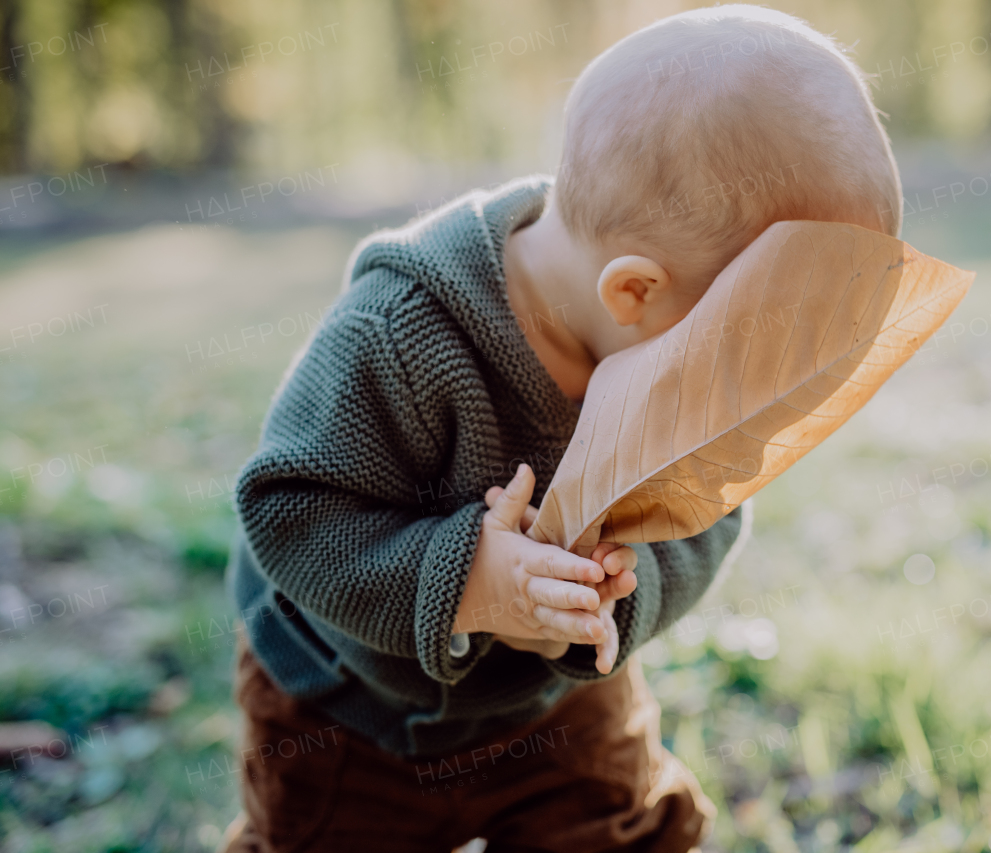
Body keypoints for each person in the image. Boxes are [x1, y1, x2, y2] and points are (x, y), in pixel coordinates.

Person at [220, 5, 901, 851]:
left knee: (614, 829)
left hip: (558, 703)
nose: (740, 395)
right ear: (636, 293)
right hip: (350, 706)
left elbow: (709, 511)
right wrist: (472, 582)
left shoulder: (664, 346)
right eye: (740, 356)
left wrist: (613, 597)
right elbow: (292, 512)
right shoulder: (401, 332)